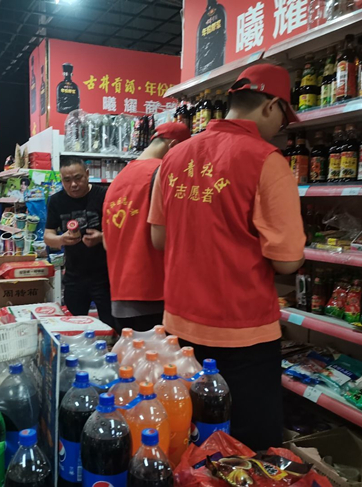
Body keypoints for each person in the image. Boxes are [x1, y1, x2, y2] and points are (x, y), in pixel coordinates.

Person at [147, 64, 306, 450]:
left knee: (189, 440)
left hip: (180, 328)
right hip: (243, 333)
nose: (281, 127)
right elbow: (287, 261)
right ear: (270, 105)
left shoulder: (175, 156)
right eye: (283, 116)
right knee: (247, 448)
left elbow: (158, 238)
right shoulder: (268, 161)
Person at [103, 122, 190, 332]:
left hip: (120, 295)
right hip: (154, 294)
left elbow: (107, 242)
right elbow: (165, 238)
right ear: (173, 146)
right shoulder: (163, 173)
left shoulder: (118, 179)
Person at [44, 158, 114, 328]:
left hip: (105, 275)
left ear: (87, 174)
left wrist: (101, 237)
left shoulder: (104, 195)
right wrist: (61, 239)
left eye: (78, 178)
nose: (73, 184)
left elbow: (121, 230)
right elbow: (48, 235)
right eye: (67, 180)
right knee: (74, 327)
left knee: (111, 325)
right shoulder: (56, 201)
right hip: (74, 275)